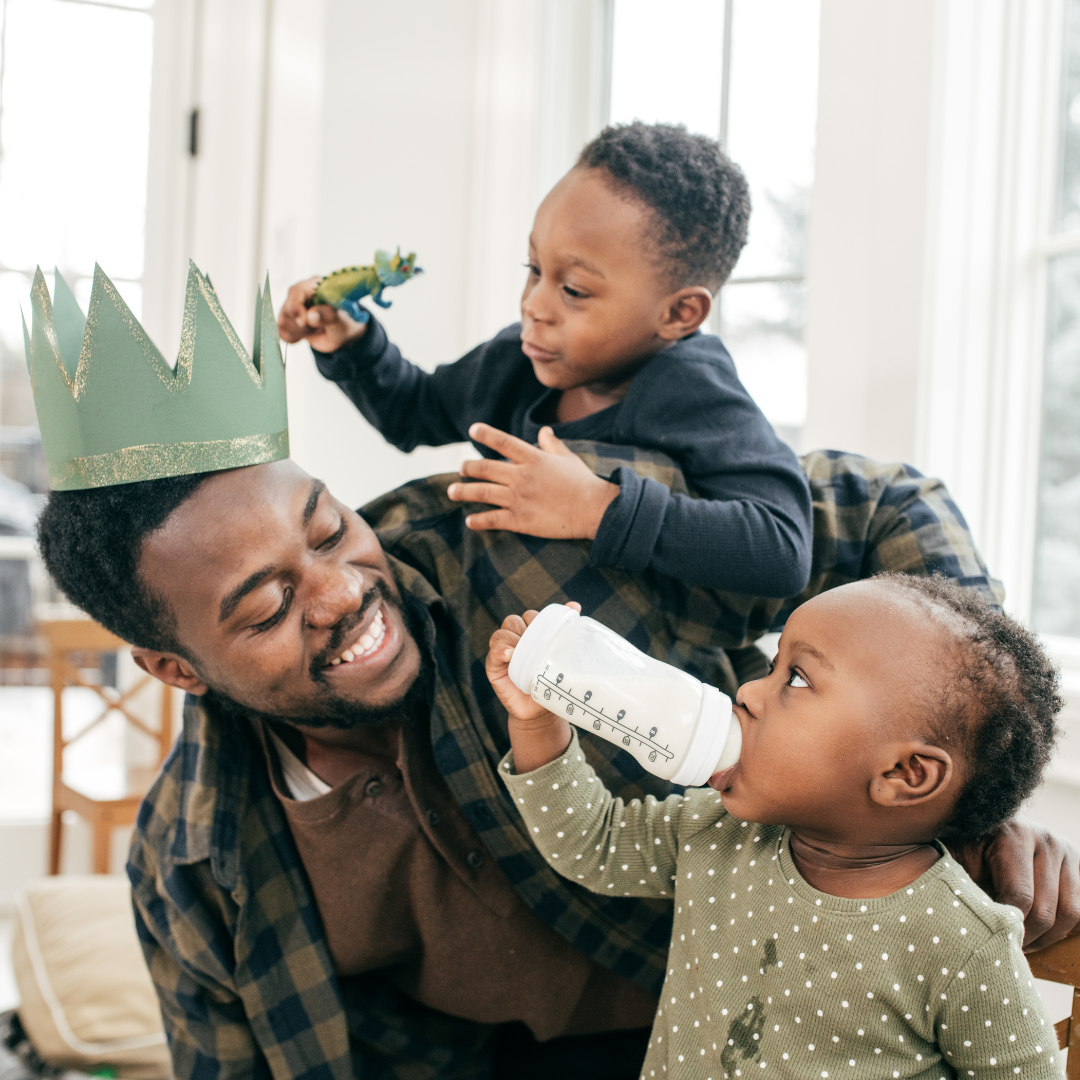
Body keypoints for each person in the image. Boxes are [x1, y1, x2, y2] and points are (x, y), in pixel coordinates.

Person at [27, 265, 1079, 1080]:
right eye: (264, 607)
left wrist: (965, 776)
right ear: (176, 667)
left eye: (329, 528)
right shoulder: (193, 864)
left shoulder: (528, 527)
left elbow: (885, 500)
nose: (344, 591)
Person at [489, 576, 1067, 1079]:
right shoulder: (717, 831)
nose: (745, 691)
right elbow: (595, 844)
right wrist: (537, 722)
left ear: (903, 773)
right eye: (772, 667)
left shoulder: (963, 944)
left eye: (795, 679)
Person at [278, 122, 813, 598]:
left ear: (679, 314)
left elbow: (783, 549)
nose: (533, 305)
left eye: (574, 290)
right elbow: (412, 412)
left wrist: (595, 507)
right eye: (533, 268)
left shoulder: (694, 390)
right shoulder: (512, 362)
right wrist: (350, 343)